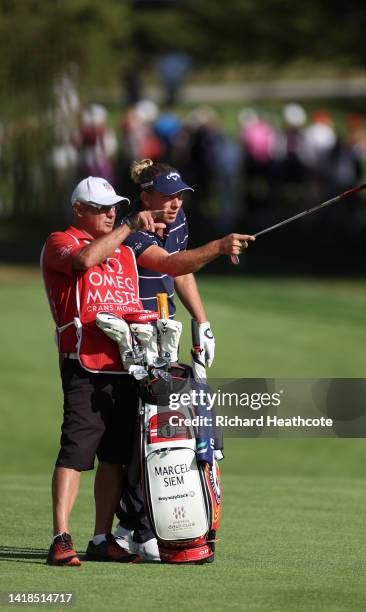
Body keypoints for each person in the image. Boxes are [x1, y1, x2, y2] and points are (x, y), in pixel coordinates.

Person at [41, 175, 254, 566]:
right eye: (102, 209)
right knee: (76, 452)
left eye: (114, 208)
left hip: (128, 366)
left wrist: (216, 250)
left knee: (116, 457)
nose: (110, 214)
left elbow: (172, 265)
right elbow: (84, 261)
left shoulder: (125, 252)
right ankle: (61, 537)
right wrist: (130, 225)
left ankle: (102, 538)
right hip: (85, 363)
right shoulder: (61, 241)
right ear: (79, 211)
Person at [113, 159, 218, 560]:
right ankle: (138, 528)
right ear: (146, 195)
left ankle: (135, 526)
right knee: (143, 432)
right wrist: (220, 247)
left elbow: (181, 271)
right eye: (168, 196)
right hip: (134, 333)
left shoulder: (177, 220)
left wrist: (201, 321)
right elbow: (172, 264)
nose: (175, 204)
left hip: (165, 329)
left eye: (180, 196)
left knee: (167, 430)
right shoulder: (130, 226)